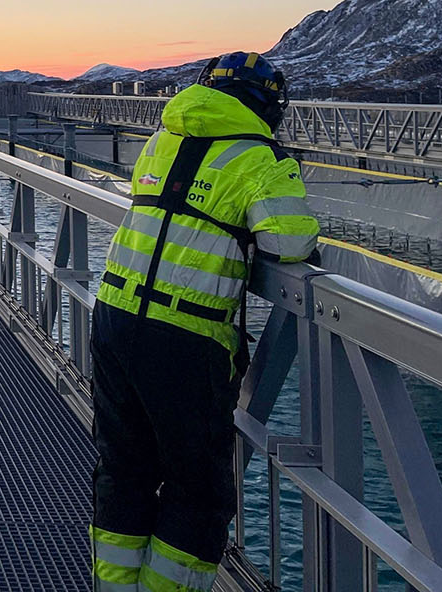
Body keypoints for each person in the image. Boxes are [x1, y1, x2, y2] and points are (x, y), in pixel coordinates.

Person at [90, 52, 320, 592]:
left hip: (114, 318)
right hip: (185, 340)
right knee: (198, 493)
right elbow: (287, 243)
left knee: (126, 471)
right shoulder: (261, 158)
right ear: (267, 102)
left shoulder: (163, 138)